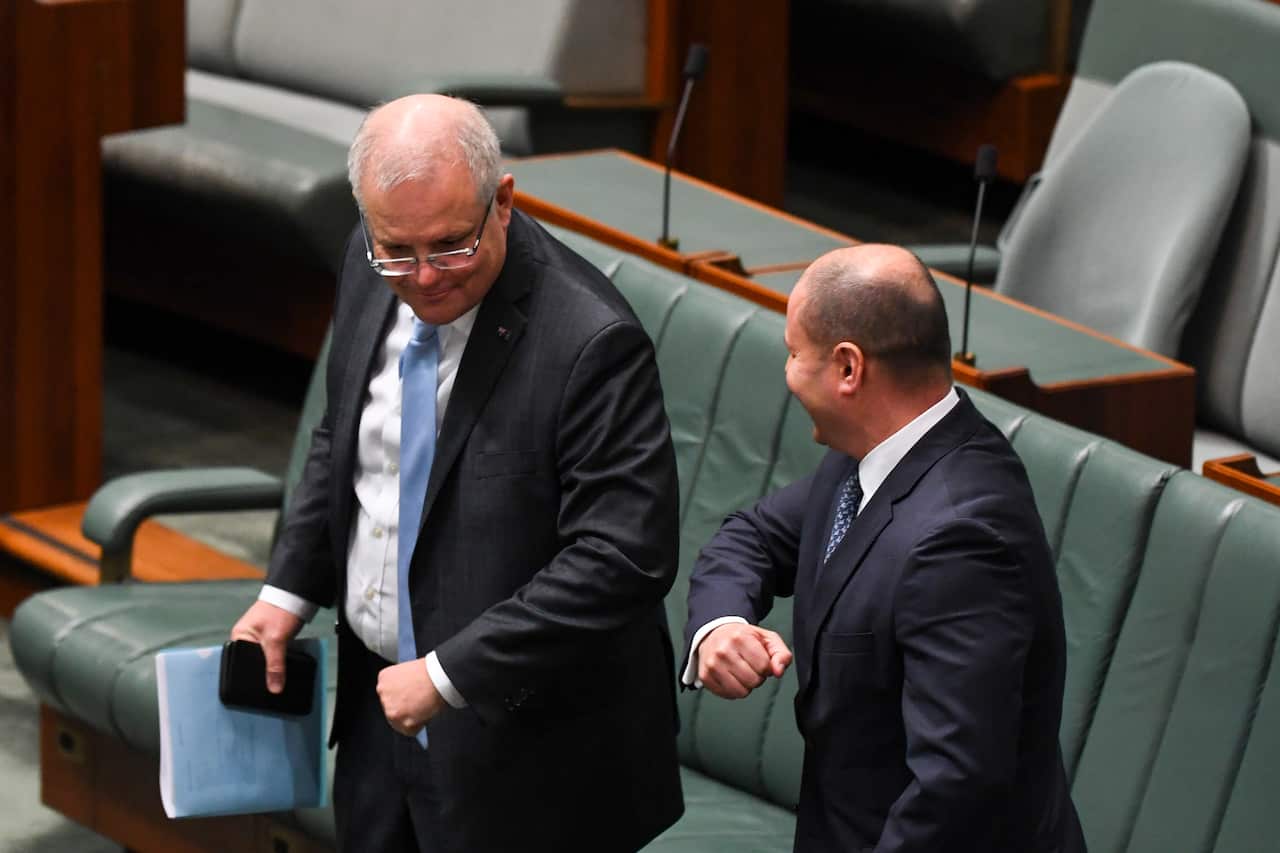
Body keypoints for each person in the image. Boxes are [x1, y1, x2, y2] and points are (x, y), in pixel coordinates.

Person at [230, 95, 683, 852]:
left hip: (527, 756)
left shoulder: (591, 342)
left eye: (450, 245)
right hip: (379, 715)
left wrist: (444, 673)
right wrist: (287, 589)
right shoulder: (370, 257)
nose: (425, 276)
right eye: (398, 250)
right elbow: (347, 437)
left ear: (502, 201)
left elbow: (622, 559)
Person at [683, 245, 1086, 852]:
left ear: (849, 369)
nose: (788, 372)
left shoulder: (961, 537)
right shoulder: (869, 457)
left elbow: (953, 790)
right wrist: (721, 623)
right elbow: (756, 536)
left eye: (795, 353)